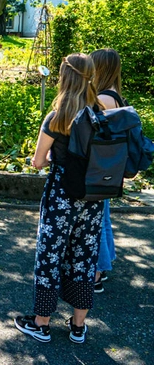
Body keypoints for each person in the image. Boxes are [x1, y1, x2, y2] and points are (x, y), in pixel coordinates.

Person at [14, 53, 105, 344]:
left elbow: (38, 161)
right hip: (92, 198)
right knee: (84, 258)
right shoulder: (100, 111)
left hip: (61, 197)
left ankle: (41, 324)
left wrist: (45, 156)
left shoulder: (58, 116)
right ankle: (78, 327)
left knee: (49, 256)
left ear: (65, 76)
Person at [90, 48, 123, 293]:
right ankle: (106, 262)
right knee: (105, 217)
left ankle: (97, 273)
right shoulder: (114, 94)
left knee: (98, 221)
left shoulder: (103, 98)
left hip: (100, 166)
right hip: (110, 166)